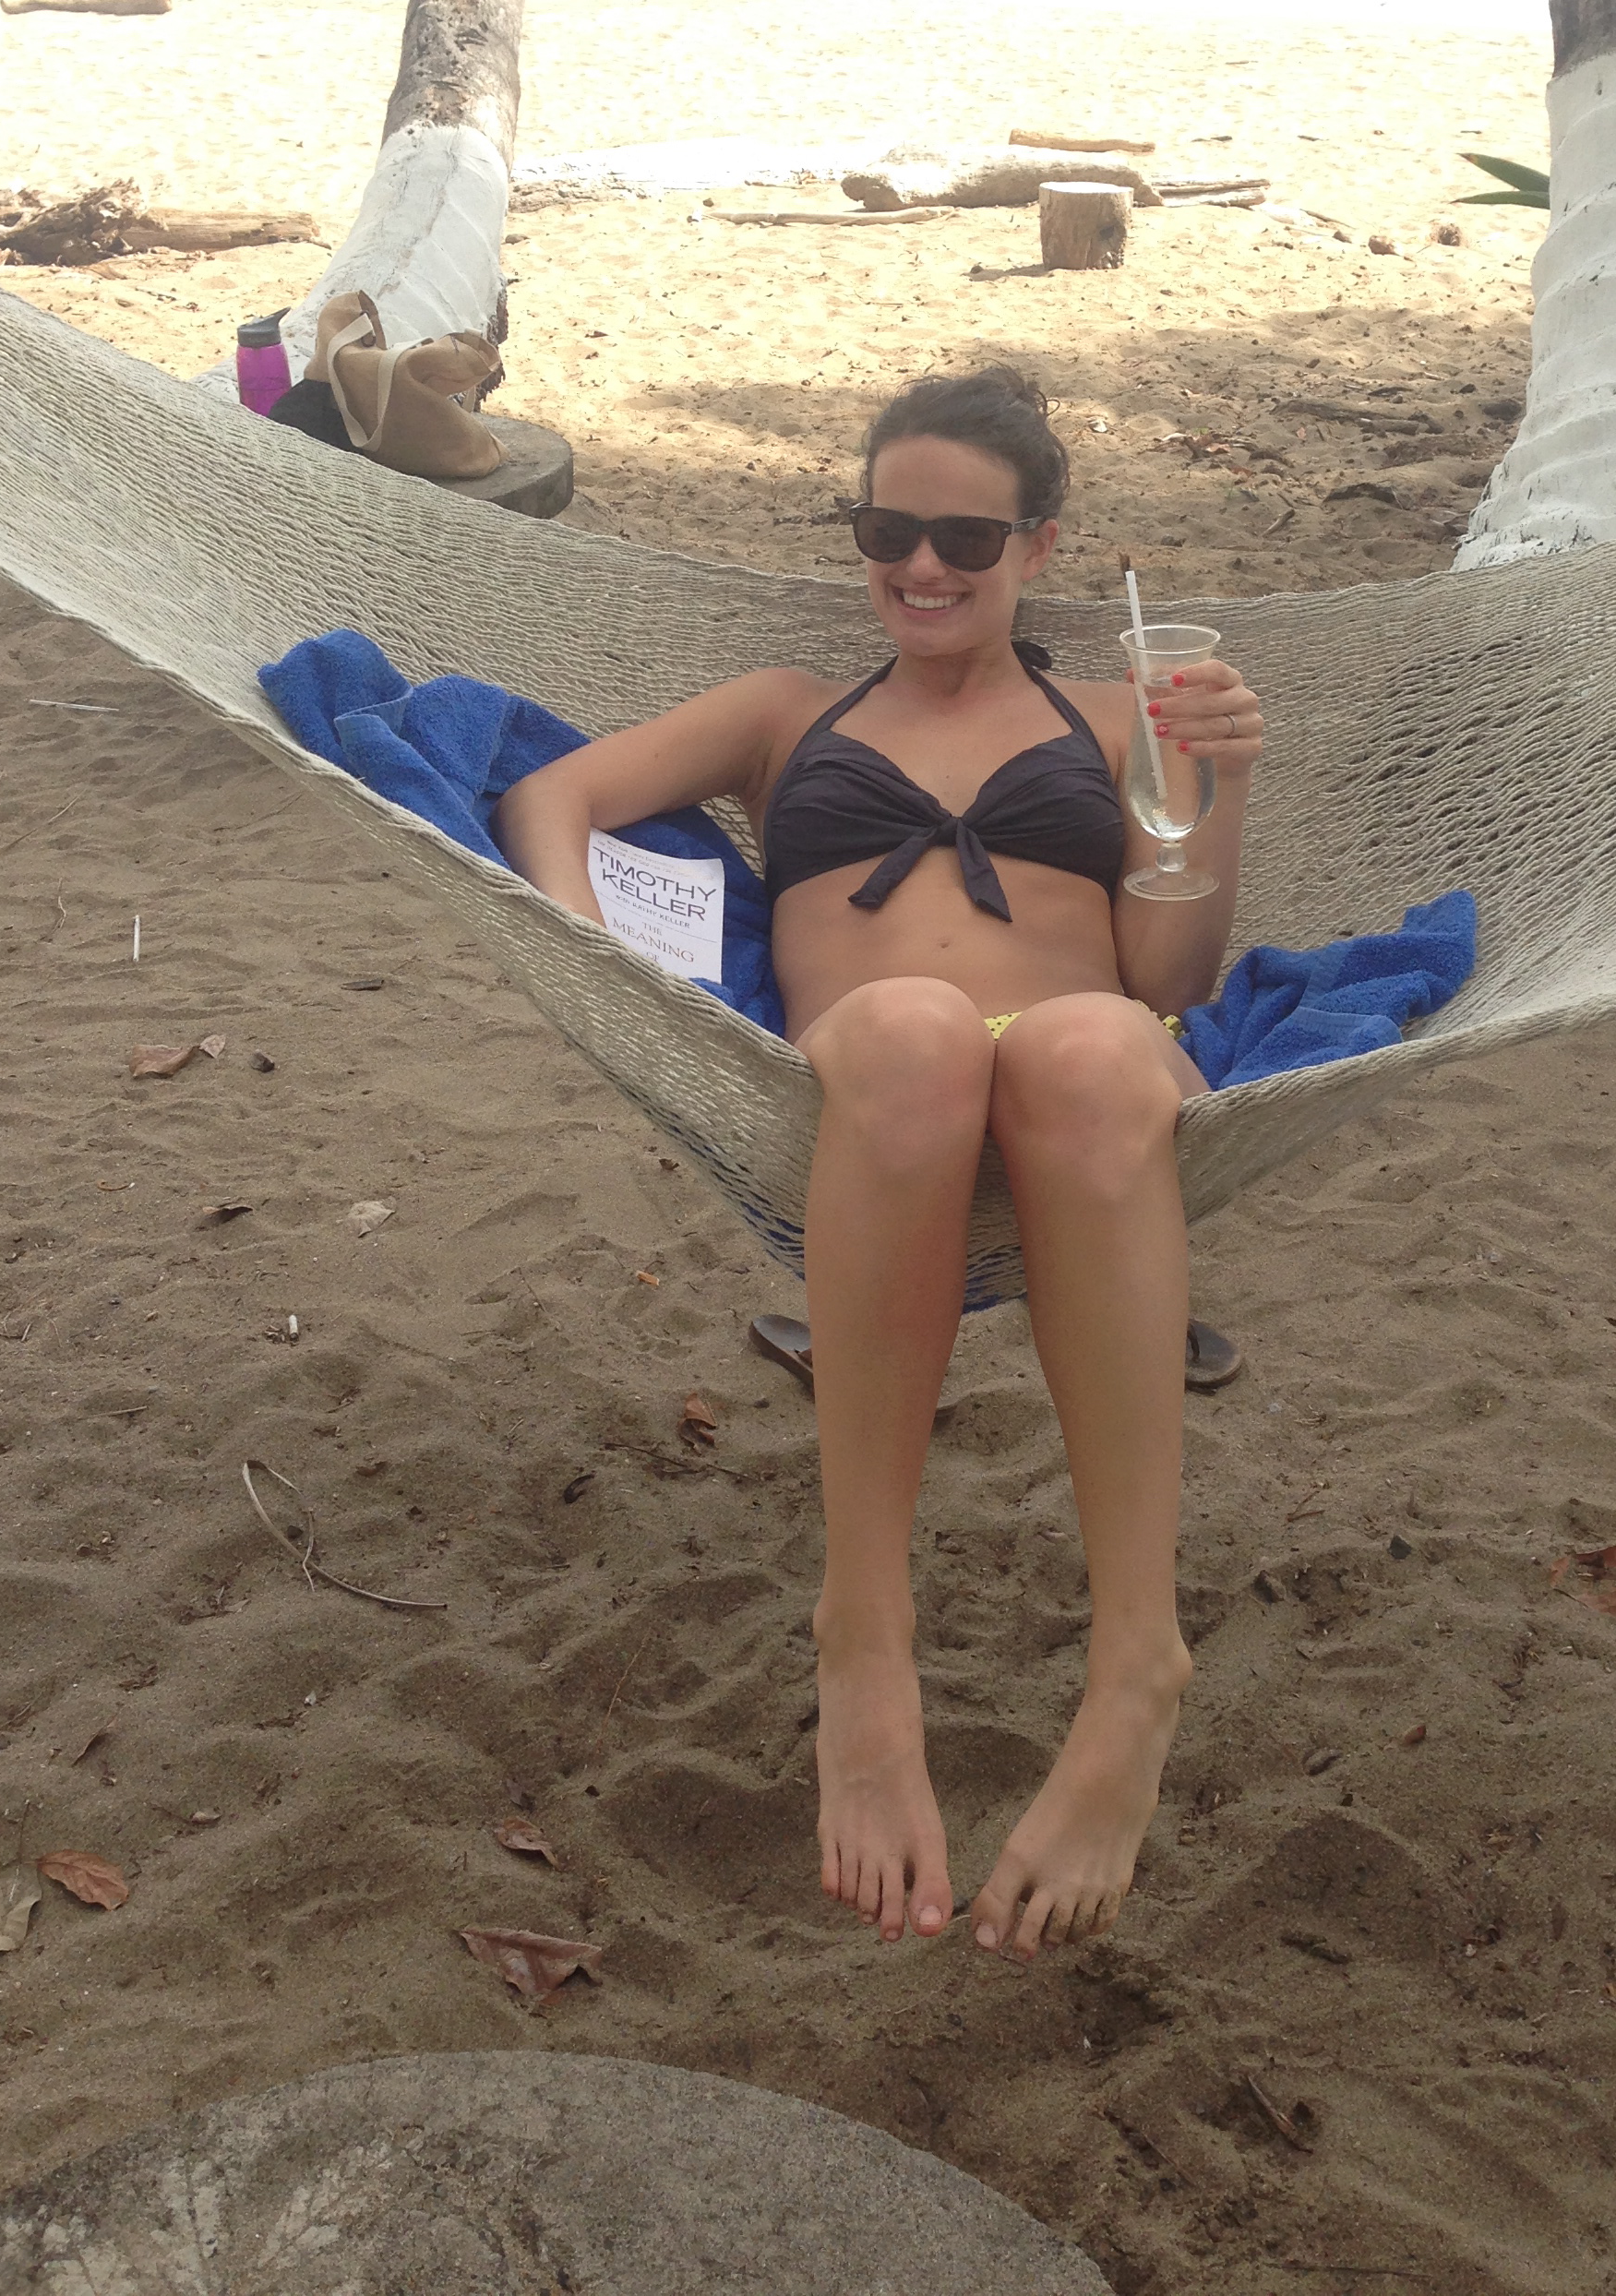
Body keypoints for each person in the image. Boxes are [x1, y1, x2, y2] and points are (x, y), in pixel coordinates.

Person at [495, 367, 1265, 1958]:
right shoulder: (788, 716)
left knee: (1087, 1041)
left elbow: (1174, 978)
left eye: (965, 539)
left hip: (1087, 1066)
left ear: (1039, 547)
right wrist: (600, 966)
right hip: (873, 1072)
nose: (921, 565)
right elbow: (553, 796)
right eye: (886, 529)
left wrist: (1221, 785)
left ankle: (1138, 1662)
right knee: (919, 1028)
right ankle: (865, 1632)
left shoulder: (1120, 717)